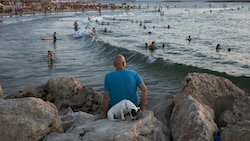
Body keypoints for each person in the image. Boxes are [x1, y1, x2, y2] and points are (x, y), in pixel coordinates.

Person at [95, 54, 148, 120]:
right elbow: (144, 90)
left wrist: (104, 114)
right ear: (123, 63)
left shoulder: (108, 77)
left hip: (117, 110)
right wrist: (142, 107)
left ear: (114, 65)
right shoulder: (133, 73)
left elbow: (106, 97)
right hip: (133, 107)